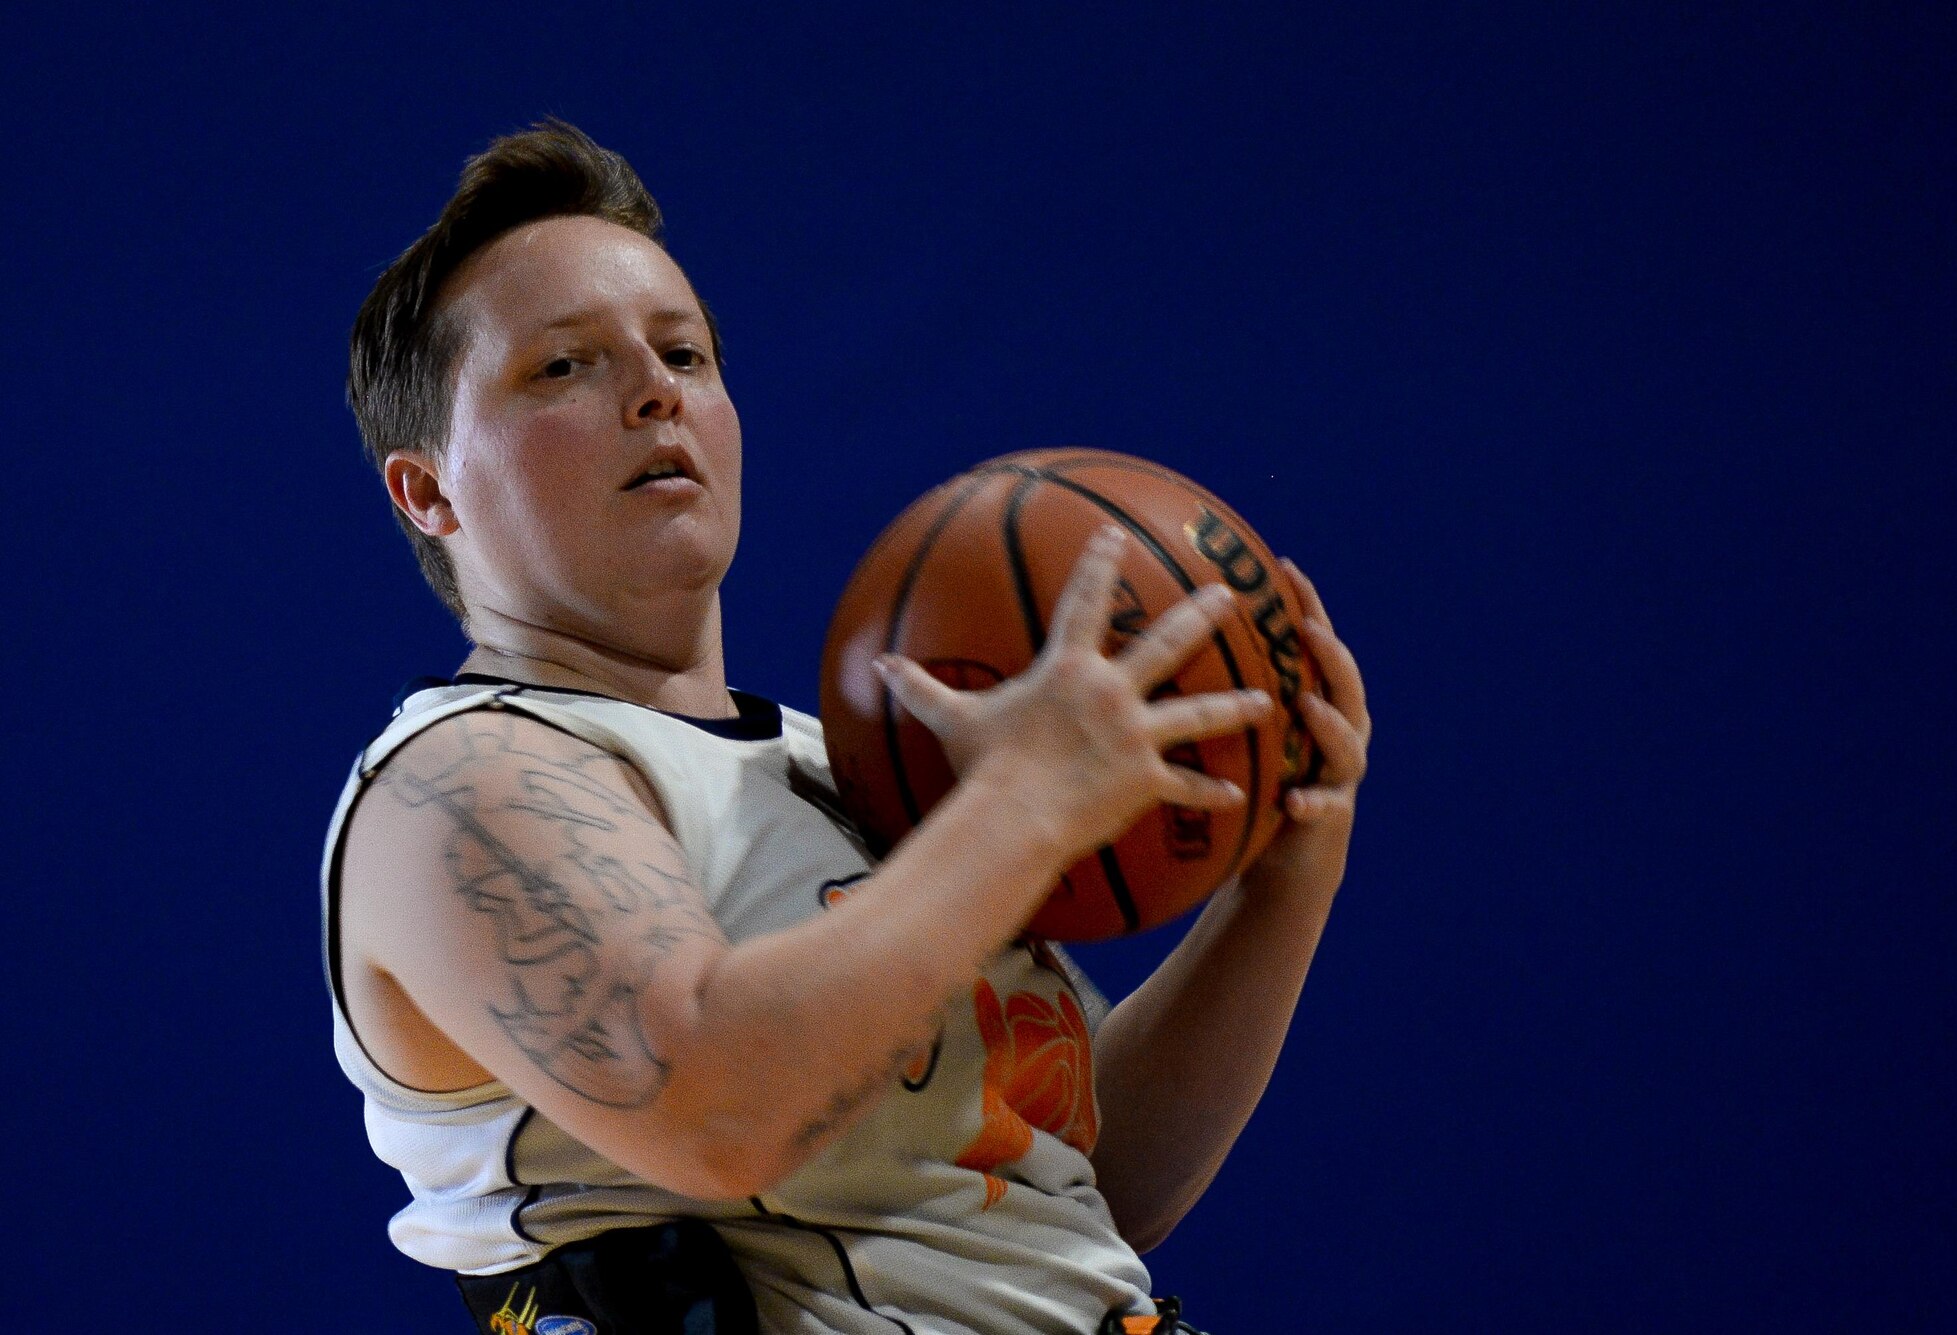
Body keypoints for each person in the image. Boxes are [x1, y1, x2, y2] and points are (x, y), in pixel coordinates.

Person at [326, 119, 1371, 1335]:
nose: (656, 388)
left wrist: (1285, 877)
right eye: (564, 366)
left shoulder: (846, 766)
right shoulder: (458, 782)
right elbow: (713, 1111)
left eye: (685, 353)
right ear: (429, 488)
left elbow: (1078, 1183)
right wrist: (1022, 811)